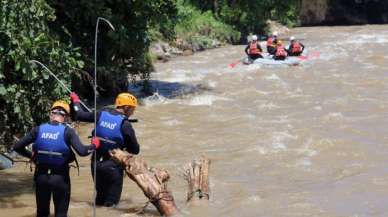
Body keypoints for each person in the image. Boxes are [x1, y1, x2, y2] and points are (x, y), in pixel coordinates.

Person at [13, 100, 100, 217]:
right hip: (60, 179)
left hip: (41, 178)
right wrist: (94, 145)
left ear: (51, 114)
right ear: (67, 117)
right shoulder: (68, 132)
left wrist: (32, 156)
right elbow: (83, 151)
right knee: (61, 214)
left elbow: (17, 147)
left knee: (42, 214)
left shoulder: (38, 130)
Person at [70, 92, 140, 207]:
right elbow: (135, 150)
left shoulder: (100, 114)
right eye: (132, 109)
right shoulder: (125, 125)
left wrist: (76, 101)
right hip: (113, 166)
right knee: (111, 205)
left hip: (95, 164)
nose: (133, 112)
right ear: (126, 107)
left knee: (99, 200)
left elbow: (79, 114)